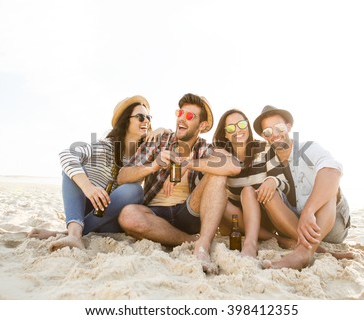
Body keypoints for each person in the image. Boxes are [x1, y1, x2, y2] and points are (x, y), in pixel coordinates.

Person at [116, 93, 241, 274]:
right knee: (128, 216)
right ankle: (191, 240)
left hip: (188, 211)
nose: (182, 118)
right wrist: (153, 166)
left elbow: (233, 166)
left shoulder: (204, 148)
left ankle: (203, 245)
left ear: (203, 125)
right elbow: (122, 176)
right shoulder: (159, 140)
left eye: (190, 116)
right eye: (180, 113)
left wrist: (188, 163)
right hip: (155, 214)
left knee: (218, 174)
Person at [29, 95, 169, 250]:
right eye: (140, 117)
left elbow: (176, 146)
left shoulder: (146, 154)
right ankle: (74, 233)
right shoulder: (105, 146)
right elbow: (66, 155)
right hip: (89, 210)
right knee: (71, 172)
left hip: (115, 219)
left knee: (134, 190)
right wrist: (88, 187)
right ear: (125, 120)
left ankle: (70, 233)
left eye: (149, 117)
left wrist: (163, 130)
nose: (146, 121)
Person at [252, 105, 352, 270]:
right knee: (266, 193)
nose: (275, 134)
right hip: (296, 227)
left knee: (329, 189)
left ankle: (303, 253)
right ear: (264, 136)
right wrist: (271, 180)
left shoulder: (307, 148)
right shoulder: (266, 159)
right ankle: (317, 249)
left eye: (279, 127)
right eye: (268, 132)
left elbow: (333, 171)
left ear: (289, 126)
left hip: (330, 225)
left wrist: (309, 211)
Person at [213, 109, 295, 258]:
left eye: (242, 124)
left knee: (248, 191)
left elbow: (286, 186)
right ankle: (278, 240)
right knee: (220, 200)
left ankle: (250, 243)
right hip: (241, 220)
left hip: (267, 213)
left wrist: (273, 180)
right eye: (231, 128)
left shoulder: (265, 149)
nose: (238, 130)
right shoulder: (223, 157)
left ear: (248, 126)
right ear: (225, 134)